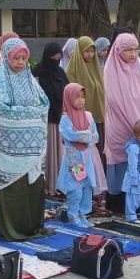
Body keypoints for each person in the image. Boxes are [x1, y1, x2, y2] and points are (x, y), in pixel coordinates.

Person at [0, 37, 52, 240]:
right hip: (7, 151)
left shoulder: (30, 81)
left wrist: (26, 114)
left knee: (33, 188)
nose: (21, 62)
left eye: (24, 58)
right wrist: (30, 114)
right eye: (16, 58)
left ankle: (32, 227)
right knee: (14, 190)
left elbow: (44, 105)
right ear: (7, 58)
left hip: (32, 150)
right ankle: (13, 230)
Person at [103, 33, 140, 214]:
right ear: (118, 50)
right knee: (123, 159)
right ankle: (120, 203)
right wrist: (135, 126)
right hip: (122, 124)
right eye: (128, 50)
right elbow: (116, 101)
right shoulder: (111, 70)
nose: (133, 54)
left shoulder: (136, 68)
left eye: (136, 50)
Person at [58, 84, 101, 228]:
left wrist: (83, 135)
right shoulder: (66, 118)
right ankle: (73, 214)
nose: (81, 100)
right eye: (77, 97)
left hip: (87, 159)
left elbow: (95, 136)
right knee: (76, 188)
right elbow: (70, 135)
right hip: (75, 160)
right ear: (69, 98)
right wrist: (86, 135)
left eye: (83, 97)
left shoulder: (88, 116)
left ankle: (83, 213)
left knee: (87, 186)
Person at [65, 36, 107, 176]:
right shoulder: (72, 71)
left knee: (96, 150)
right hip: (79, 120)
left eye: (92, 51)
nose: (90, 54)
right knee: (80, 152)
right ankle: (79, 178)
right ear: (79, 52)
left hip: (97, 117)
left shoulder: (97, 69)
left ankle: (96, 179)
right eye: (86, 51)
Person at [32, 42, 69, 197]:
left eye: (59, 57)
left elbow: (67, 92)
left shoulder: (60, 72)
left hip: (60, 118)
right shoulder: (38, 72)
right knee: (47, 153)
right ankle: (47, 184)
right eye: (53, 57)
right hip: (45, 120)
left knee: (61, 152)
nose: (56, 60)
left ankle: (61, 184)